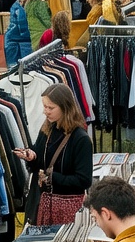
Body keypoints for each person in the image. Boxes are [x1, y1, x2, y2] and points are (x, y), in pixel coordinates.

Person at [14, 83, 93, 224]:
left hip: (67, 209)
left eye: (51, 107)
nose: (46, 111)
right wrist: (31, 158)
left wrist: (52, 177)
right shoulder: (47, 130)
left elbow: (84, 180)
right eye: (44, 106)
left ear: (65, 107)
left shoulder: (80, 139)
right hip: (42, 204)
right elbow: (38, 164)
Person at [5, 0, 35, 67]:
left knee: (14, 70)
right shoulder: (18, 6)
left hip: (14, 41)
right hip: (19, 42)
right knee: (26, 70)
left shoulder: (16, 6)